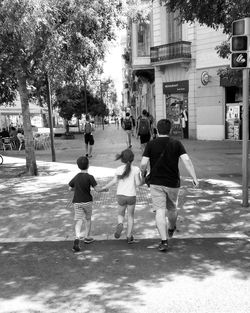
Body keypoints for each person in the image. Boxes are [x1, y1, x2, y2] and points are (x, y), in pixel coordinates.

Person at [140, 119, 199, 252]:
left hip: (155, 182)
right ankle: (171, 227)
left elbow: (143, 164)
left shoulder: (151, 144)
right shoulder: (176, 144)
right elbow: (187, 161)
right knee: (172, 209)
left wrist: (143, 174)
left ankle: (164, 241)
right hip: (173, 182)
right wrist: (194, 178)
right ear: (170, 130)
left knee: (159, 212)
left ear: (156, 129)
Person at [100, 149, 143, 243]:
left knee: (120, 214)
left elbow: (114, 181)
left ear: (122, 159)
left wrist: (104, 187)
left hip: (120, 196)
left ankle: (120, 223)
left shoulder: (118, 169)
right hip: (131, 196)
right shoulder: (136, 169)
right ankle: (129, 236)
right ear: (132, 159)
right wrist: (143, 178)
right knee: (130, 216)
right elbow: (139, 183)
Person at [69, 156, 102, 252]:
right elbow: (97, 189)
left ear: (78, 166)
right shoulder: (90, 177)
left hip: (77, 202)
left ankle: (77, 237)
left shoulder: (76, 177)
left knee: (78, 220)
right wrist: (105, 189)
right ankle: (87, 237)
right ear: (88, 165)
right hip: (87, 202)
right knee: (88, 219)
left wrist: (77, 189)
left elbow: (70, 188)